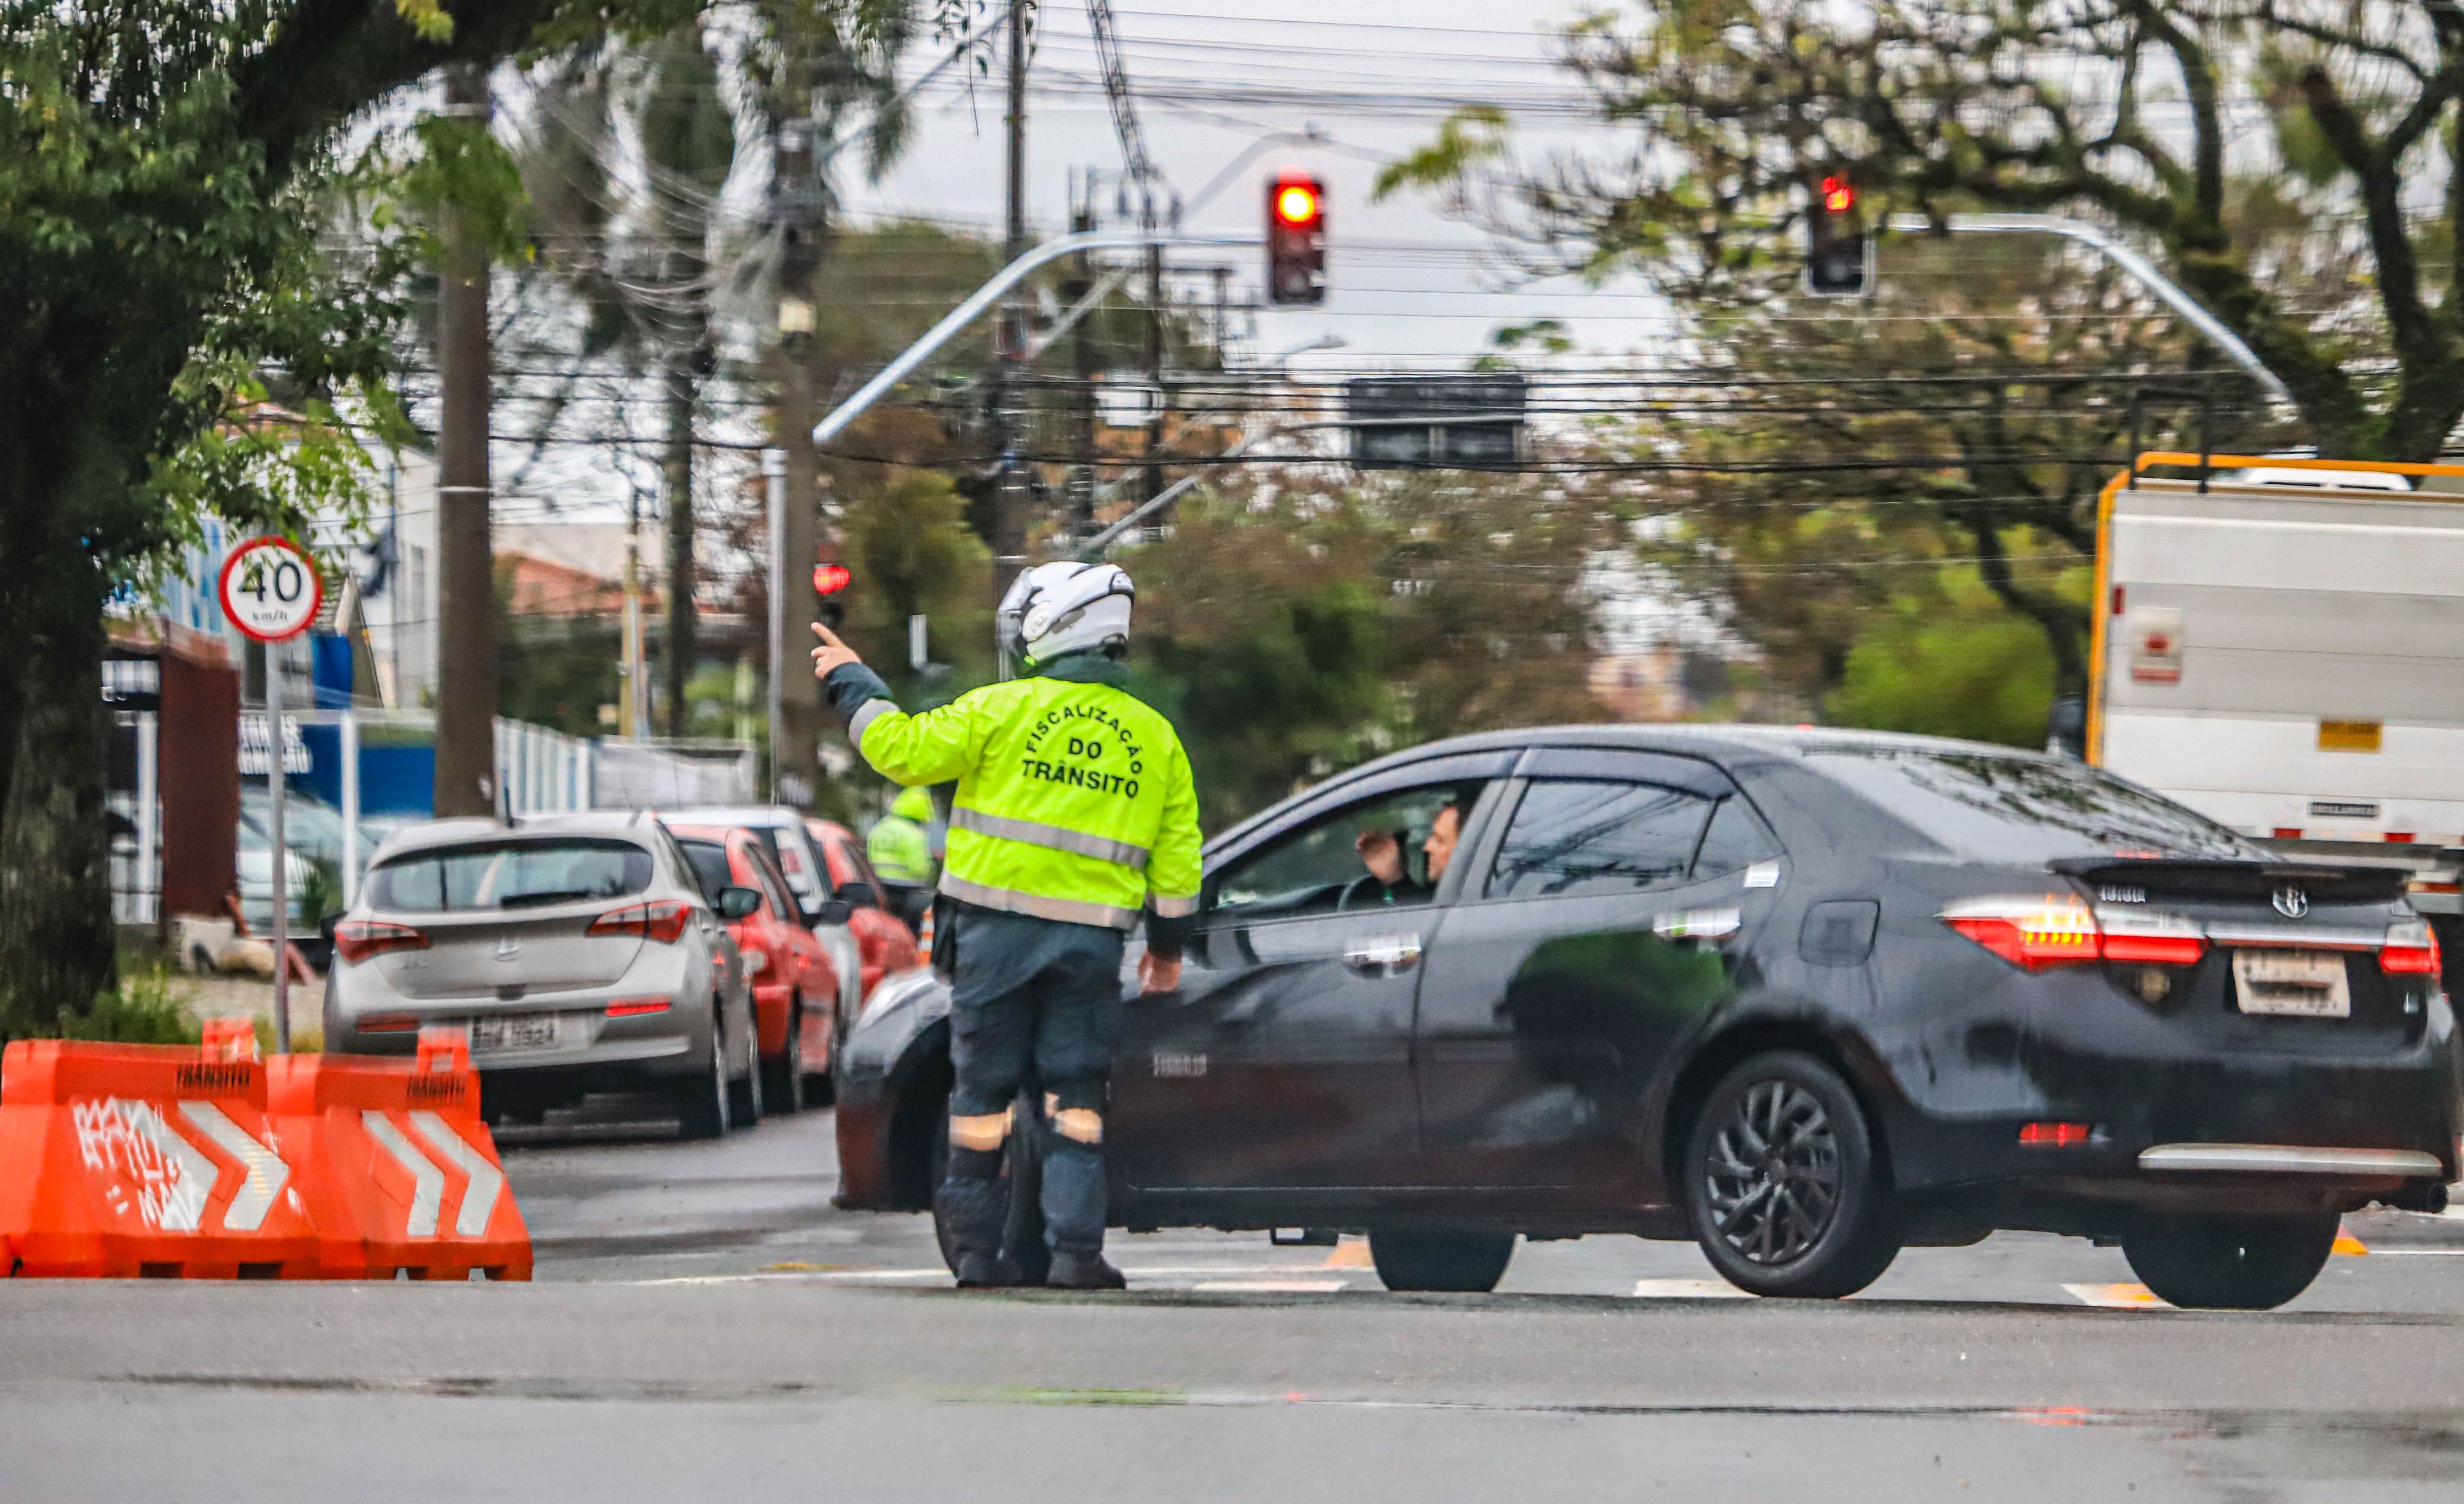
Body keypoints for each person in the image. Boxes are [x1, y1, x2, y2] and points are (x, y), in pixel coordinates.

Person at [811, 561, 1201, 1290]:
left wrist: (854, 680)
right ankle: (1075, 1255)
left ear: (1051, 626)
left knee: (980, 1098)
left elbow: (899, 751)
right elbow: (1177, 865)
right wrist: (1169, 952)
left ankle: (977, 1256)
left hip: (991, 939)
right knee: (1076, 1101)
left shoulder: (999, 708)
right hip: (1089, 946)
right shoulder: (1155, 738)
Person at [1340, 795, 1467, 910]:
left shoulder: (1467, 907)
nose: (1427, 847)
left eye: (1439, 840)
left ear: (1465, 845)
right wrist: (1394, 877)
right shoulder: (1460, 897)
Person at [865, 785, 938, 930]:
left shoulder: (880, 828)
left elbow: (868, 857)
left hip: (880, 889)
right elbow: (921, 869)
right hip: (909, 892)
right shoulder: (913, 834)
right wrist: (932, 871)